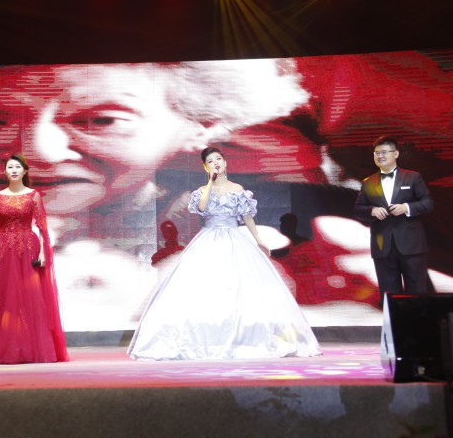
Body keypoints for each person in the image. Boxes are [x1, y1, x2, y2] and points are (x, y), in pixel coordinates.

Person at [127, 147, 321, 360]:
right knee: (208, 285)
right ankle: (209, 336)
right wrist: (210, 183)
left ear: (225, 162)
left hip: (234, 238)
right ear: (206, 167)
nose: (216, 163)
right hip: (209, 238)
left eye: (218, 159)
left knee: (238, 285)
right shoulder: (202, 191)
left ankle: (242, 336)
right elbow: (202, 208)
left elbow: (247, 217)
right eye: (211, 161)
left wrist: (259, 240)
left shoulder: (238, 189)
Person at [0, 154, 68, 364]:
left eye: (17, 167)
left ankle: (33, 349)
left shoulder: (33, 195)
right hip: (5, 251)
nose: (13, 170)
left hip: (29, 249)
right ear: (4, 172)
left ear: (25, 171)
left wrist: (43, 253)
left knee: (32, 299)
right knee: (6, 300)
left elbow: (42, 228)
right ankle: (7, 349)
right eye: (10, 167)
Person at [354, 136, 434, 305]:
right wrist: (372, 211)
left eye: (384, 152)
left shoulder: (412, 177)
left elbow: (428, 203)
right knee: (389, 294)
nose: (380, 156)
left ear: (396, 154)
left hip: (411, 245)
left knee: (417, 291)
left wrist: (406, 207)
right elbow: (358, 209)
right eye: (376, 153)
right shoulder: (368, 182)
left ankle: (417, 322)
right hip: (383, 246)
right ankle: (393, 322)